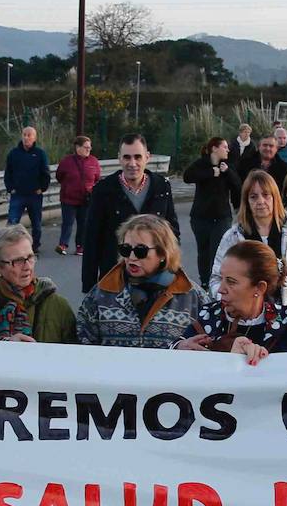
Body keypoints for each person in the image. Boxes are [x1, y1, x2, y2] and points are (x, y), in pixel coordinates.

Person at [77, 214, 203, 349]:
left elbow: (209, 347)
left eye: (140, 251)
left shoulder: (193, 297)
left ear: (162, 253)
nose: (131, 257)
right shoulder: (100, 294)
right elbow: (82, 345)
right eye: (125, 249)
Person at [176, 240, 287, 363]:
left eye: (231, 282)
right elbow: (173, 356)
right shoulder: (209, 317)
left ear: (259, 287)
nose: (220, 290)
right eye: (221, 278)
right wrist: (180, 347)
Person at [82, 133, 180, 292]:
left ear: (147, 157)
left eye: (137, 157)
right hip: (115, 278)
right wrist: (90, 287)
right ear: (119, 158)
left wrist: (173, 271)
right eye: (127, 157)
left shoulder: (161, 187)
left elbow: (172, 233)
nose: (132, 163)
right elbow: (92, 239)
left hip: (156, 279)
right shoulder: (103, 190)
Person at [209, 171, 287, 310]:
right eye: (253, 197)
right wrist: (231, 300)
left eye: (266, 195)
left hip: (285, 315)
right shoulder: (232, 237)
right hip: (243, 314)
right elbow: (216, 279)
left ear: (275, 197)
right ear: (246, 201)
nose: (260, 201)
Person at [0, 225, 78, 343]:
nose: (27, 267)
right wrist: (7, 347)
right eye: (18, 261)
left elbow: (74, 356)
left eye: (30, 257)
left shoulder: (58, 305)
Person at [183, 137, 243, 288]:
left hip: (222, 217)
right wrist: (210, 172)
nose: (228, 149)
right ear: (214, 148)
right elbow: (187, 177)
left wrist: (227, 172)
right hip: (200, 217)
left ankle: (216, 284)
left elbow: (238, 185)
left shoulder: (227, 165)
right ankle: (204, 283)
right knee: (203, 252)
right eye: (224, 147)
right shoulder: (202, 163)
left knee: (218, 253)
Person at [4, 126, 51, 252]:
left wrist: (42, 188)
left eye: (29, 135)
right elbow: (8, 172)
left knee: (36, 224)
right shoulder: (14, 153)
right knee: (12, 222)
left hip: (34, 195)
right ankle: (10, 247)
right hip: (18, 194)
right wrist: (10, 188)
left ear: (34, 137)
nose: (26, 137)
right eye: (24, 134)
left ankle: (35, 246)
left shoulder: (40, 154)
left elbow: (45, 172)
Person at [54, 135, 99, 255]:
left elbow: (97, 178)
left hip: (86, 199)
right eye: (86, 147)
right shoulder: (67, 161)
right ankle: (63, 244)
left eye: (89, 147)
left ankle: (81, 246)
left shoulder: (93, 161)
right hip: (68, 198)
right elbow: (59, 176)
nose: (88, 150)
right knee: (67, 222)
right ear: (77, 147)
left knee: (83, 224)